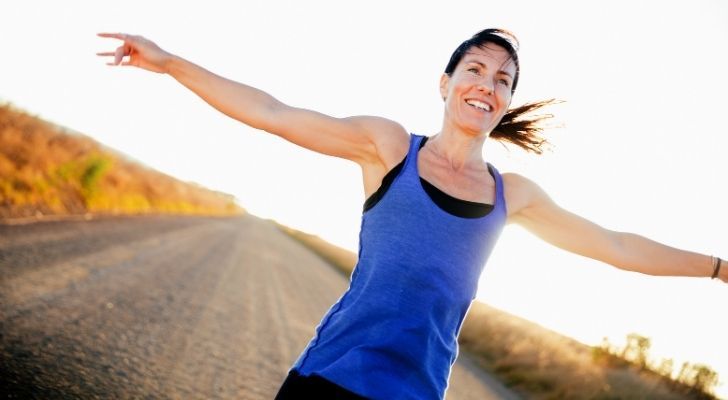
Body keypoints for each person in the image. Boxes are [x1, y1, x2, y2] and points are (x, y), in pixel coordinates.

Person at [98, 28, 726, 399]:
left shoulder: (515, 197)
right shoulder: (389, 148)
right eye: (475, 69)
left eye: (503, 79)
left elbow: (615, 245)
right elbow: (272, 112)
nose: (487, 83)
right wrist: (170, 64)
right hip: (327, 381)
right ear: (446, 83)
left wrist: (718, 268)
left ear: (506, 103)